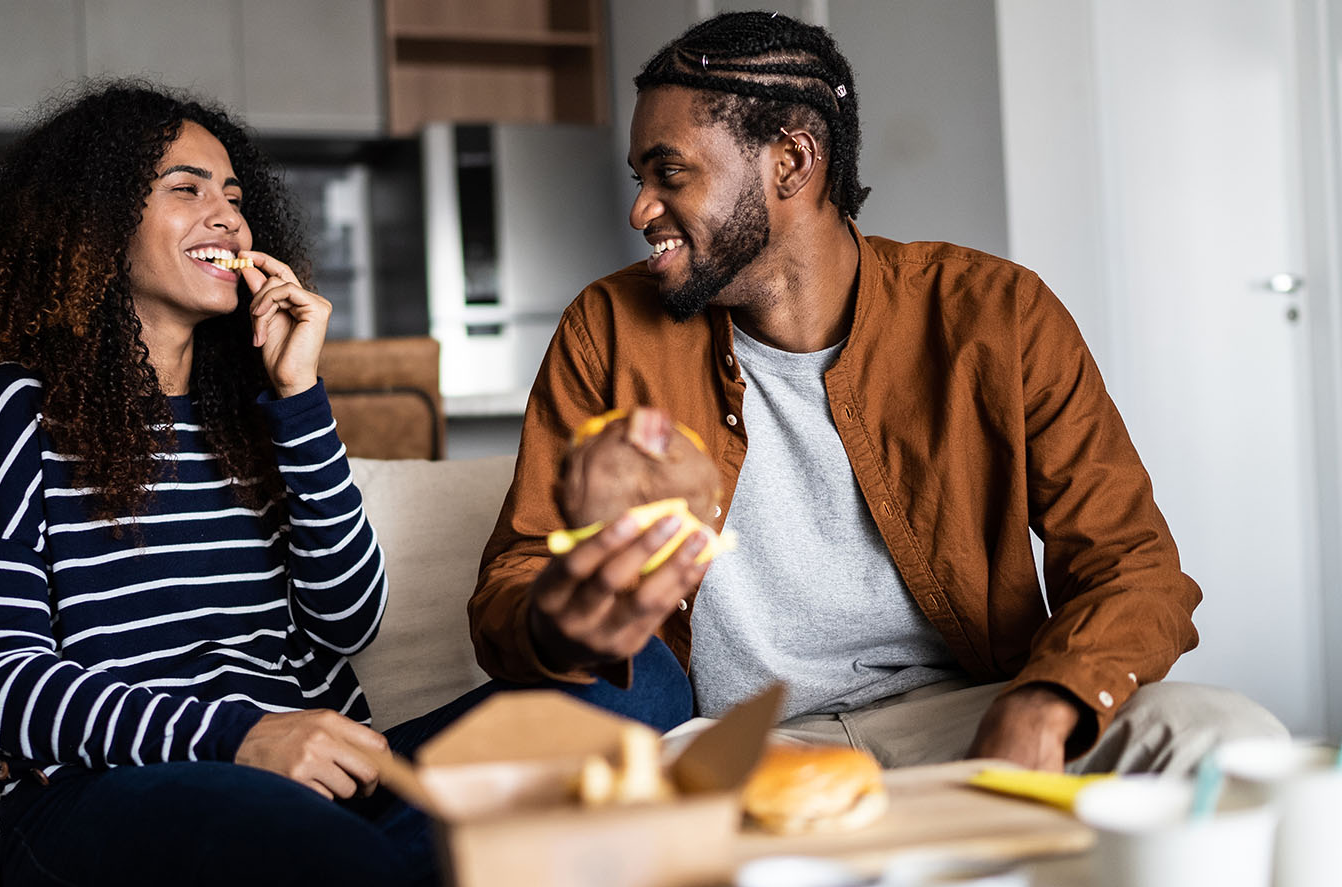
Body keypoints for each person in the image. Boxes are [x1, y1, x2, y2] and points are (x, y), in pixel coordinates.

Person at [0, 83, 690, 887]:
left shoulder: (256, 409)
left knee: (638, 679)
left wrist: (299, 398)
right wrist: (242, 736)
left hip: (318, 783)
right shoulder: (18, 403)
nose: (226, 217)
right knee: (327, 857)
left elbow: (348, 619)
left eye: (234, 197)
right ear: (96, 223)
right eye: (186, 190)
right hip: (106, 791)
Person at [468, 12, 1283, 776]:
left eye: (669, 172)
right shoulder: (607, 328)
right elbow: (517, 570)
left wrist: (1049, 698)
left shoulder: (996, 314)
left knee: (1226, 737)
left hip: (967, 714)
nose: (642, 207)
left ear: (790, 161)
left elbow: (1133, 565)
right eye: (641, 176)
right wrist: (557, 616)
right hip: (740, 745)